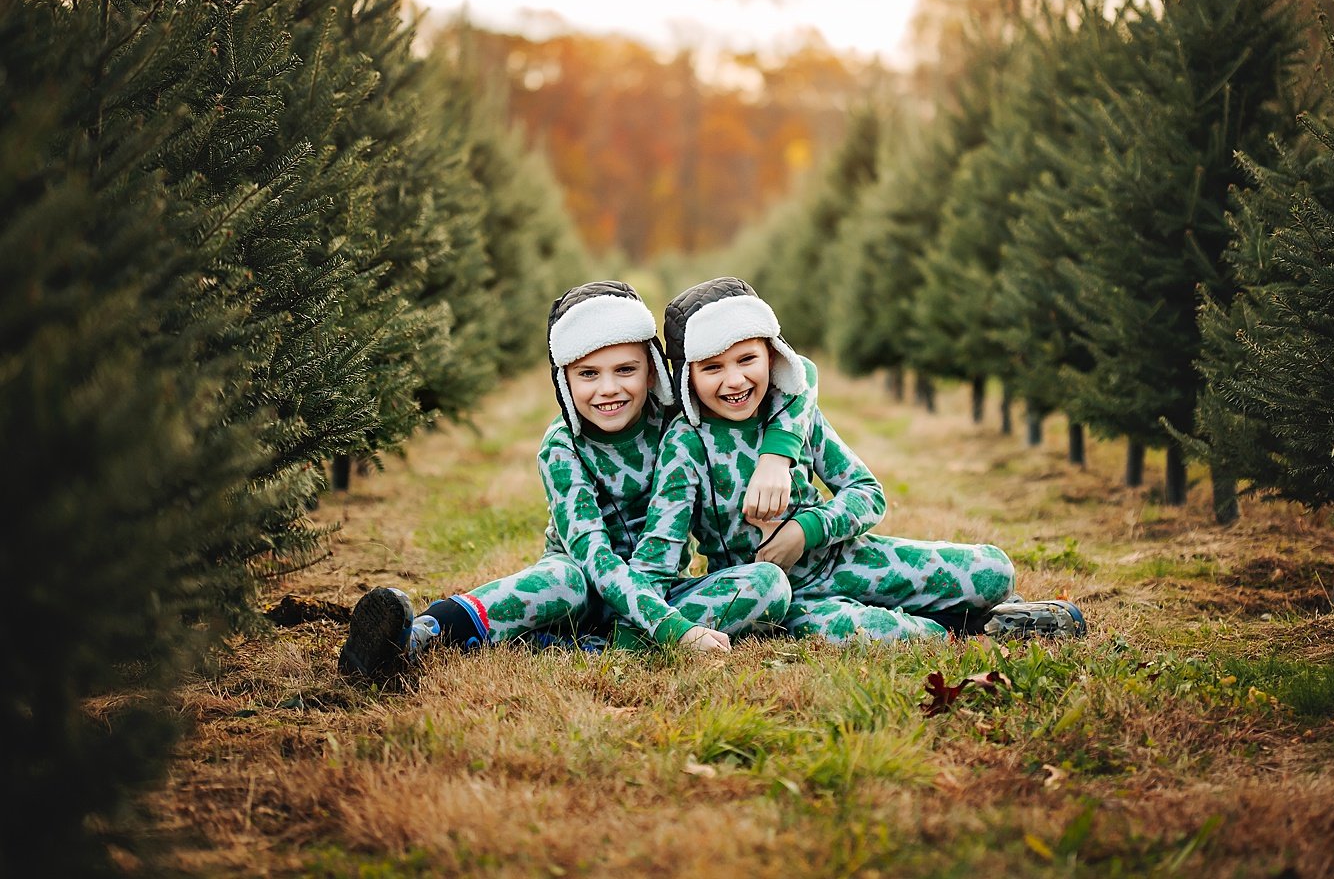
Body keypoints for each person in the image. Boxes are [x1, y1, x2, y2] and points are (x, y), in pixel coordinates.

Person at [338, 280, 811, 678]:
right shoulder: (562, 447)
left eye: (625, 369)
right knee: (561, 579)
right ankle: (416, 638)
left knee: (767, 582)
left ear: (653, 372)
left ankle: (585, 648)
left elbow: (800, 373)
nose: (608, 388)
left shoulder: (678, 422)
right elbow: (594, 555)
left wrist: (777, 456)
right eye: (588, 374)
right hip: (582, 587)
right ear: (564, 379)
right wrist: (673, 630)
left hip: (660, 588)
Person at [630, 276, 1087, 643]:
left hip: (846, 557)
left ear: (771, 354)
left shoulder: (793, 414)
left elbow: (867, 495)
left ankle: (978, 609)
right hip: (787, 596)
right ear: (688, 375)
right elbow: (663, 551)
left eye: (746, 359)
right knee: (895, 635)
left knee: (994, 570)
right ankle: (968, 627)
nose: (734, 380)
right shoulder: (686, 446)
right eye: (712, 367)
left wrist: (804, 531)